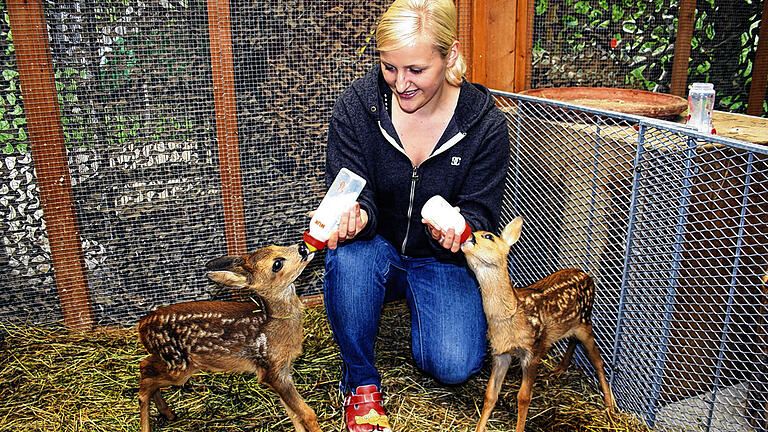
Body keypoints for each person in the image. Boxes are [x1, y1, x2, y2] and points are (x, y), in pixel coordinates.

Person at [321, 0, 509, 430]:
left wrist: (460, 231)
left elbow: (480, 210)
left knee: (454, 364)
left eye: (416, 70)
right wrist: (357, 216)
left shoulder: (484, 125)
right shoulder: (357, 107)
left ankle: (419, 307)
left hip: (438, 257)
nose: (400, 84)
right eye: (390, 68)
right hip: (376, 245)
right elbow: (350, 188)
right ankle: (361, 383)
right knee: (346, 258)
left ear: (450, 55)